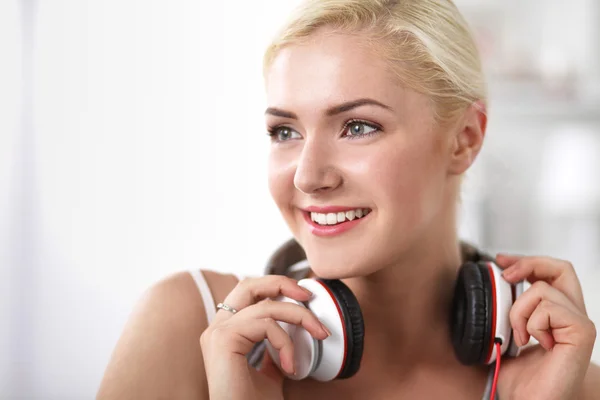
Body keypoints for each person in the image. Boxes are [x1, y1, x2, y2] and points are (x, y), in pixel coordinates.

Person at [96, 0, 599, 398]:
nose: (308, 177)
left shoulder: (569, 381)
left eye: (358, 126)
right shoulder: (191, 327)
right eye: (284, 130)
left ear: (465, 138)